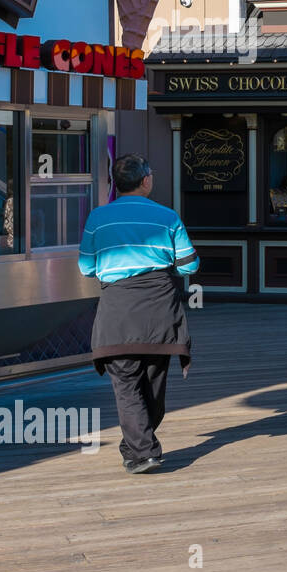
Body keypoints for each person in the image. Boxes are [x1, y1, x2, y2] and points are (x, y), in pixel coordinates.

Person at [77, 154, 199, 474]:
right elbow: (190, 266)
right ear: (146, 180)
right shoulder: (167, 217)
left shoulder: (97, 218)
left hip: (118, 310)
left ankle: (138, 448)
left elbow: (86, 267)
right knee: (154, 384)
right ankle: (143, 449)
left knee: (127, 384)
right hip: (160, 309)